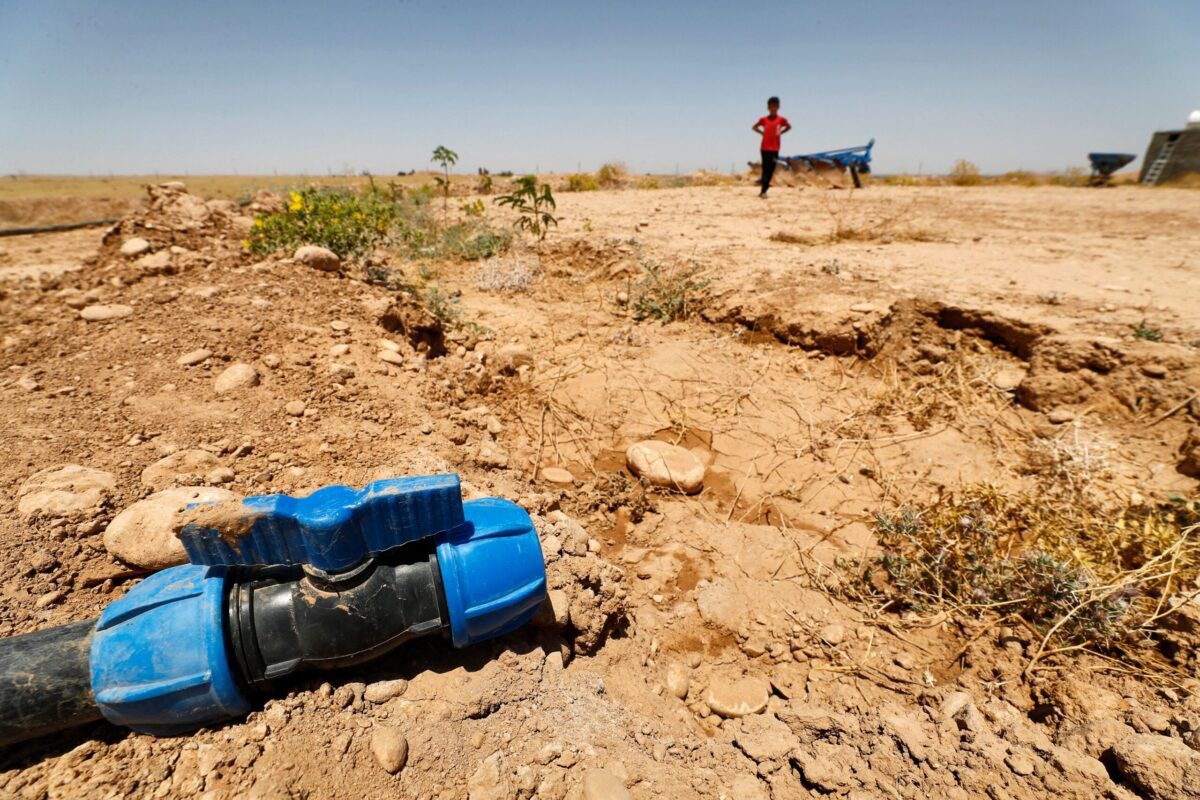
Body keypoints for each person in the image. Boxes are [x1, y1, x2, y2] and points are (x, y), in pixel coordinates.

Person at [752, 97, 791, 198]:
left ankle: (763, 187)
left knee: (771, 169)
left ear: (778, 107)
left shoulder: (781, 120)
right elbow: (754, 127)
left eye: (775, 106)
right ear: (768, 107)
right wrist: (762, 133)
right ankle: (763, 191)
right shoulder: (763, 119)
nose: (773, 108)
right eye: (771, 106)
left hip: (775, 148)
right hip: (764, 147)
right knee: (765, 168)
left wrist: (781, 132)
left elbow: (789, 127)